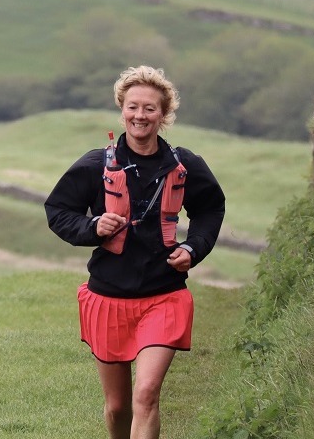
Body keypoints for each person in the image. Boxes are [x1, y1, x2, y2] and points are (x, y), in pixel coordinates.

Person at [44, 65, 225, 439]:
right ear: (121, 109)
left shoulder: (184, 165)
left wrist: (193, 248)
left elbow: (210, 209)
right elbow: (58, 211)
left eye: (150, 108)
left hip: (164, 295)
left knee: (146, 395)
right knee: (118, 407)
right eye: (132, 107)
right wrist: (92, 227)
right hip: (108, 297)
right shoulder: (96, 165)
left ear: (164, 114)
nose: (140, 116)